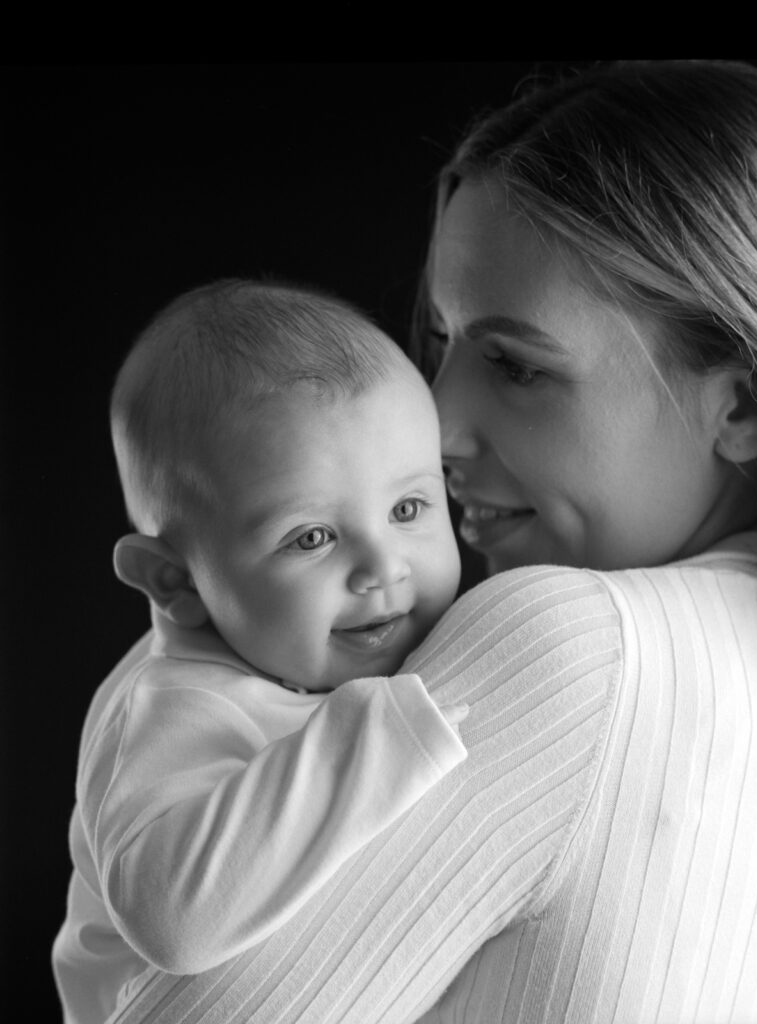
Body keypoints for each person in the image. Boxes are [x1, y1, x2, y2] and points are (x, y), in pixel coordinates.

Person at [107, 59, 757, 1024]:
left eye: (513, 365)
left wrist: (198, 635)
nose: (433, 423)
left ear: (748, 401)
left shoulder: (573, 644)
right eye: (443, 341)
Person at [52, 279, 469, 1024]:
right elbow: (173, 922)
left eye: (408, 508)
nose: (383, 566)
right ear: (176, 582)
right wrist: (370, 740)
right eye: (310, 537)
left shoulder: (308, 650)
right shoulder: (170, 711)